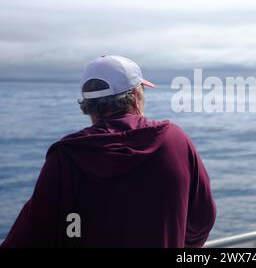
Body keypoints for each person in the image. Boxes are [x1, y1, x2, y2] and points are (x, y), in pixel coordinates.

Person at [0, 55, 216, 248]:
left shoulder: (66, 156)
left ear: (88, 104)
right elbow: (202, 219)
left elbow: (30, 237)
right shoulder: (174, 140)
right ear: (134, 95)